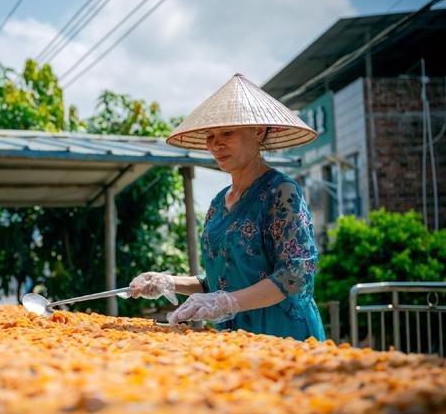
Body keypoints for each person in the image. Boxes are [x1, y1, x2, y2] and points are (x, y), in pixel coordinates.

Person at [130, 73, 326, 341]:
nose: (216, 144)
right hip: (233, 338)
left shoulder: (281, 192)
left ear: (257, 131)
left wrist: (227, 303)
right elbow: (219, 282)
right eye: (210, 136)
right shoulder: (218, 203)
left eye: (227, 133)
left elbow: (295, 275)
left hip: (281, 334)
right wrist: (168, 282)